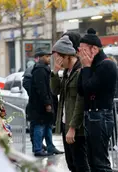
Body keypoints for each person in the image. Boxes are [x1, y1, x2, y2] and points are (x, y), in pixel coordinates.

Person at [78, 28, 117, 172]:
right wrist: (85, 68)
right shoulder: (91, 66)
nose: (81, 53)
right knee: (92, 162)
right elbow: (81, 90)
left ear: (94, 49)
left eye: (83, 49)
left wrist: (86, 67)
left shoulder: (107, 65)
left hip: (101, 116)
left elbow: (89, 88)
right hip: (90, 115)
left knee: (100, 163)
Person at [51, 34, 90, 172]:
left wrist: (73, 127)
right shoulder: (67, 72)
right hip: (65, 123)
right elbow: (55, 90)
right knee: (71, 164)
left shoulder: (80, 71)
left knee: (81, 165)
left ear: (68, 55)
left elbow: (80, 102)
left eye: (59, 57)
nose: (58, 61)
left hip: (77, 128)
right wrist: (55, 71)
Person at [27, 49, 63, 157]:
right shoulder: (40, 70)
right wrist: (47, 103)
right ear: (41, 57)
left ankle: (50, 147)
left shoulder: (44, 69)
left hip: (45, 103)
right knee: (40, 125)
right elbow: (42, 88)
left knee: (47, 125)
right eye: (47, 56)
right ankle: (38, 149)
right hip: (40, 105)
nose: (49, 58)